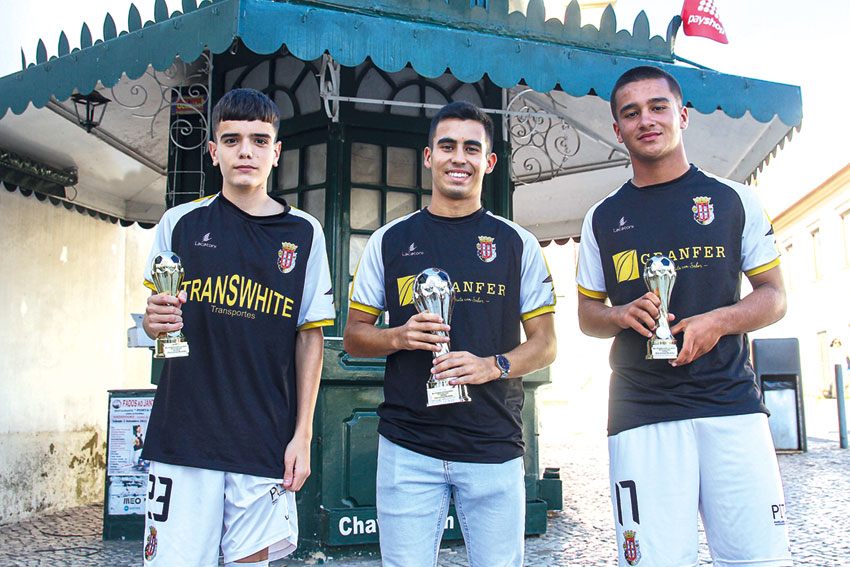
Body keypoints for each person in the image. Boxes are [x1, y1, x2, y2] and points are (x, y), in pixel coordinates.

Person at [576, 66, 792, 567]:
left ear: (683, 115)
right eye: (632, 113)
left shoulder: (733, 199)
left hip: (730, 404)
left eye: (658, 107)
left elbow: (775, 296)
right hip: (641, 410)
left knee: (758, 560)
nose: (646, 120)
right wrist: (620, 315)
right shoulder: (602, 217)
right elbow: (587, 315)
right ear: (618, 130)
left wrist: (719, 321)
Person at [343, 101, 557, 567]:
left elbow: (546, 344)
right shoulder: (389, 240)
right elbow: (354, 336)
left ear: (489, 161)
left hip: (492, 443)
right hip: (408, 445)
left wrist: (493, 366)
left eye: (471, 148)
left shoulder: (517, 243)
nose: (459, 158)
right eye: (447, 146)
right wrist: (398, 337)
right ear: (428, 156)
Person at [140, 88, 334, 567]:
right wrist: (151, 322)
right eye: (232, 140)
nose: (245, 151)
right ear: (214, 152)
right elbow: (157, 320)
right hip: (183, 435)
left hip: (263, 438)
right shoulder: (180, 223)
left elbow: (310, 337)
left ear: (276, 151)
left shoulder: (304, 232)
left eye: (258, 140)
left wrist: (302, 434)